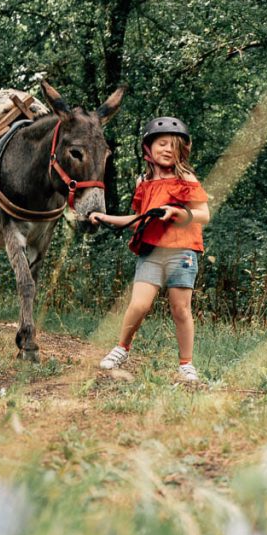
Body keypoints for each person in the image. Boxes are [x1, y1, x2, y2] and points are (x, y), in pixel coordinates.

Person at [90, 116, 210, 382]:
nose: (167, 149)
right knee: (139, 305)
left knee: (181, 309)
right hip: (151, 252)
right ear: (148, 149)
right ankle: (121, 348)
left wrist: (177, 212)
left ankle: (186, 364)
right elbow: (136, 220)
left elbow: (204, 214)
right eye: (161, 143)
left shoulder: (185, 178)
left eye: (173, 145)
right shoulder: (143, 184)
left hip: (182, 251)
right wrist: (103, 217)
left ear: (182, 150)